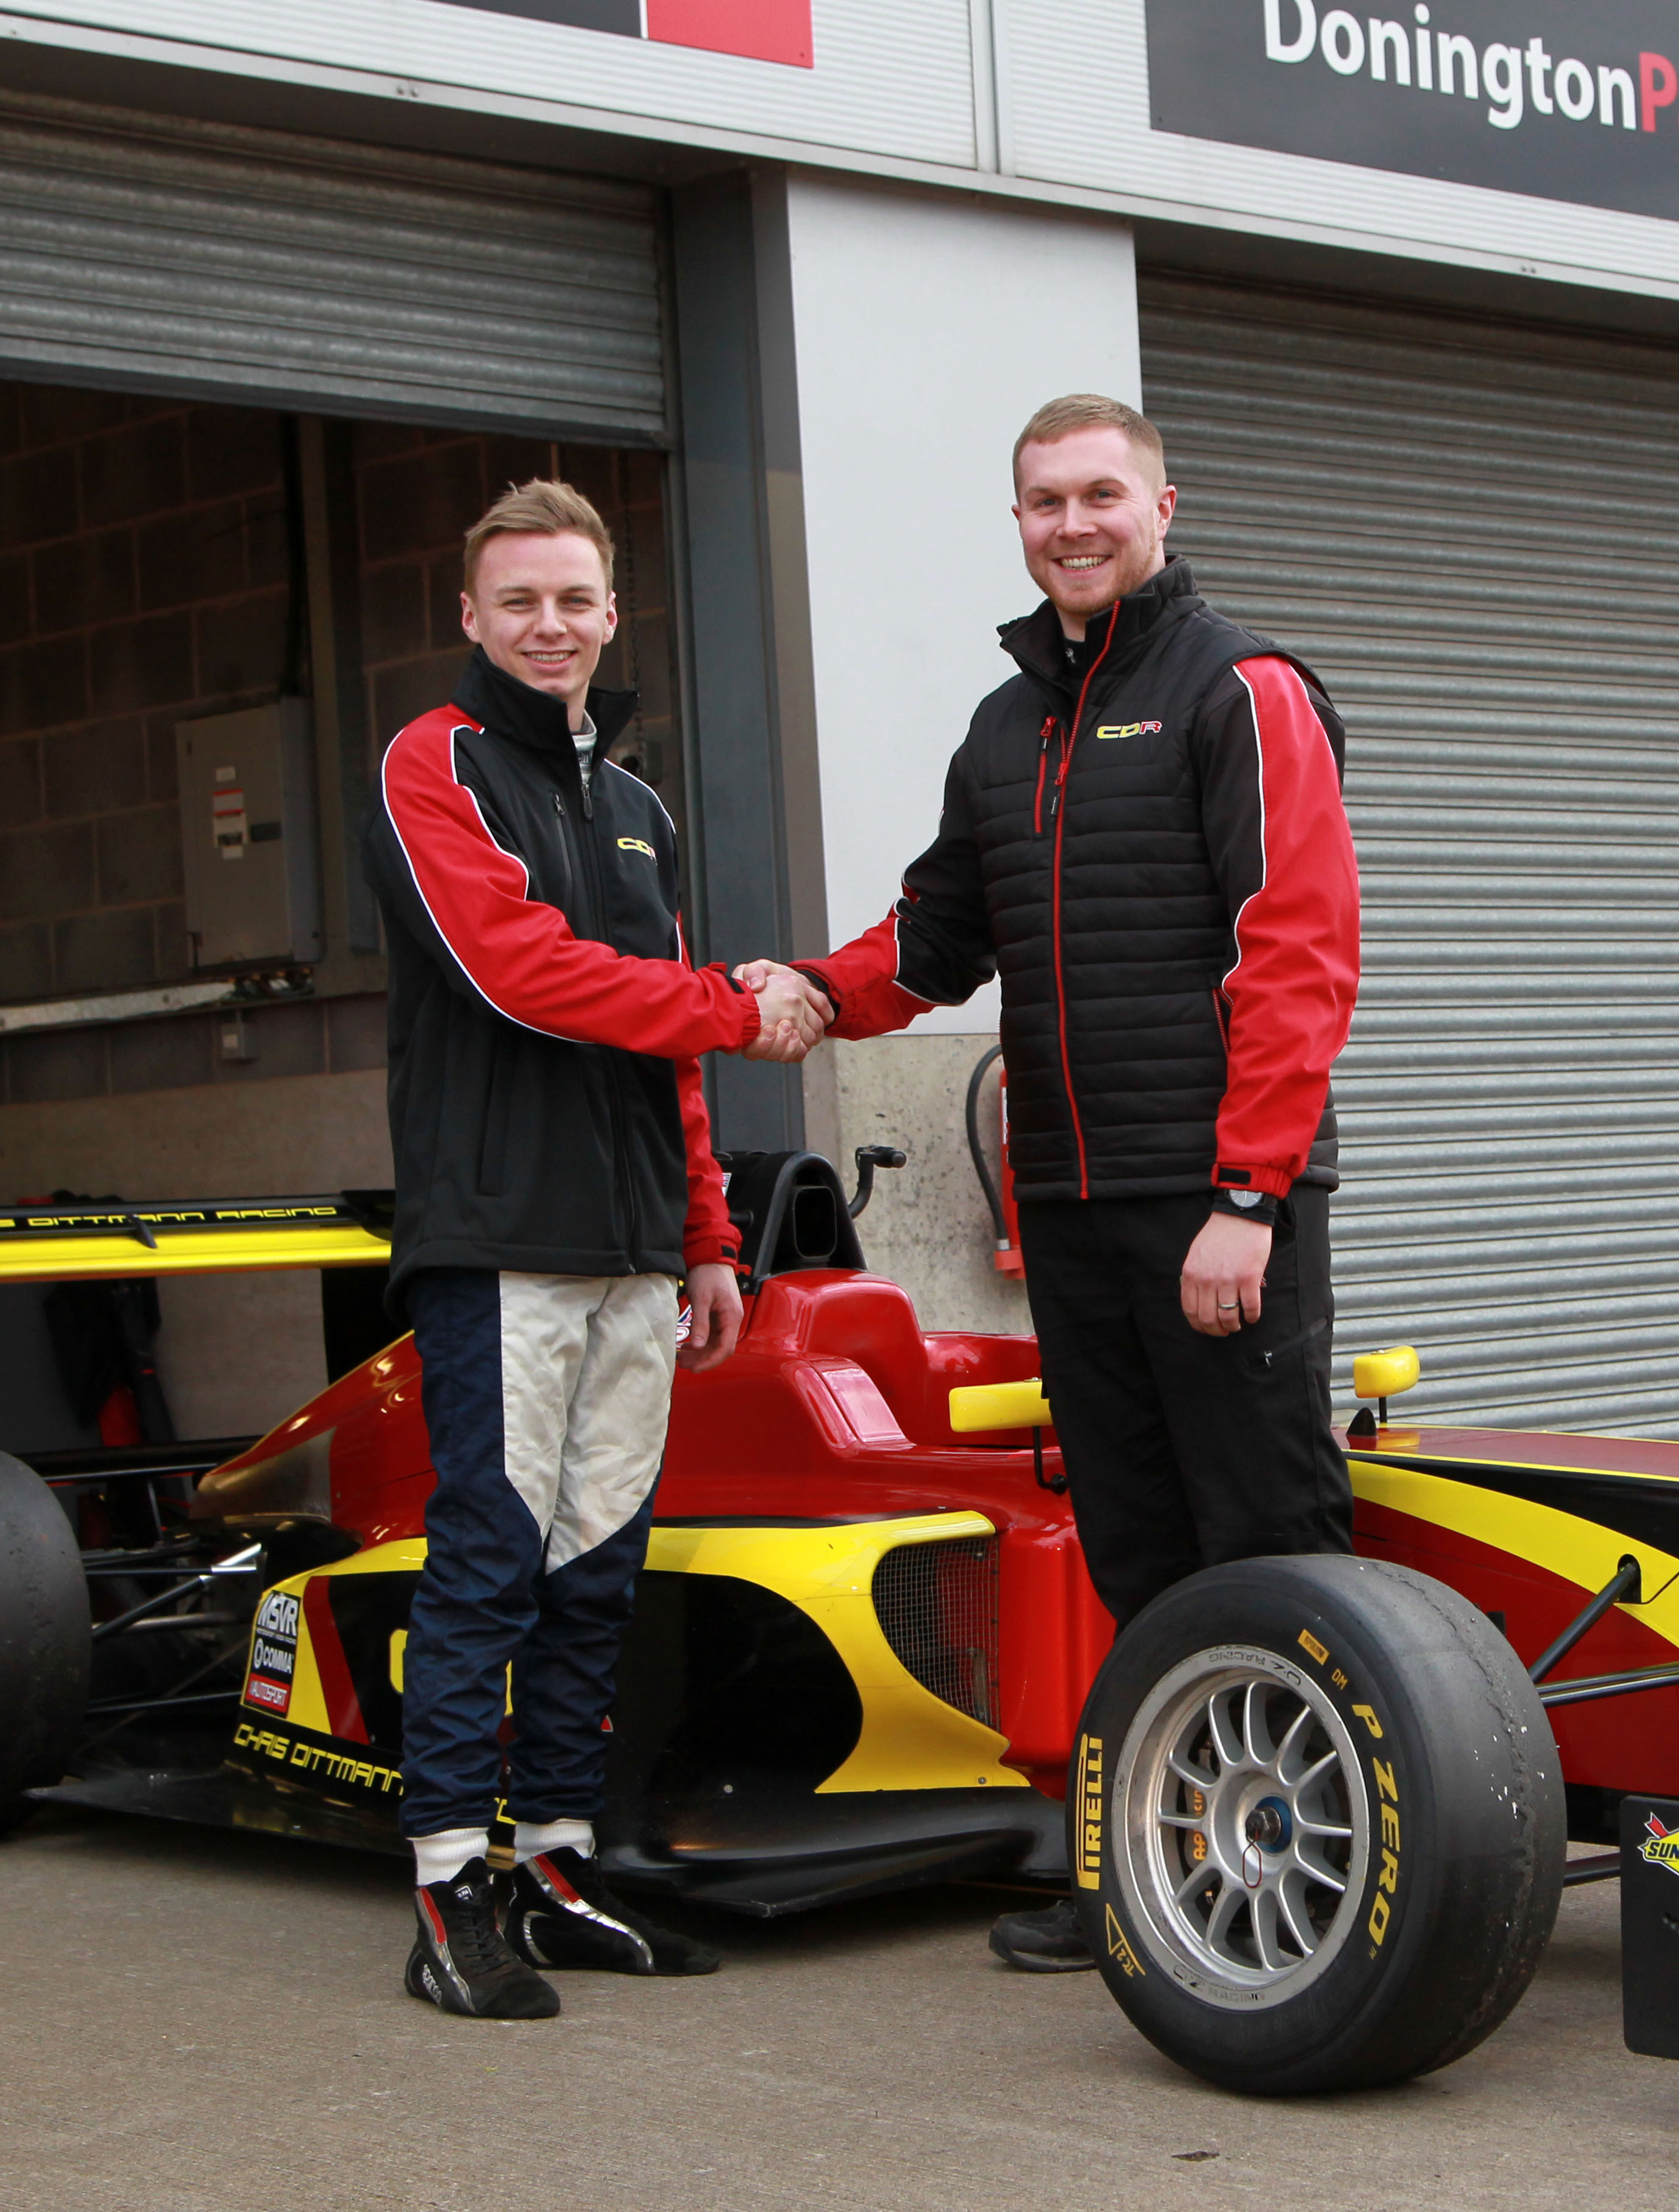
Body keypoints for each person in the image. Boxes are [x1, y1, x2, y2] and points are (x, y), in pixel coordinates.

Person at [746, 394, 1362, 1972]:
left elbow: (1297, 954)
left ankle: (1348, 1901)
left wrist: (1249, 1198)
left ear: (1163, 506)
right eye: (1044, 502)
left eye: (1099, 495)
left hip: (1210, 1208)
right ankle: (1162, 1884)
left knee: (1272, 1549)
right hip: (1075, 1211)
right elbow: (937, 938)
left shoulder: (1241, 690)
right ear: (1018, 522)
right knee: (1138, 1558)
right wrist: (810, 990)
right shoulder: (1005, 727)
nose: (1072, 525)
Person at [357, 479, 814, 2020]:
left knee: (597, 1573)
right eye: (519, 602)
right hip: (499, 1242)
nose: (548, 626)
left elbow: (662, 1048)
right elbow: (521, 973)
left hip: (633, 1257)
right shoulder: (433, 764)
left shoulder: (638, 806)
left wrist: (708, 1236)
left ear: (613, 615)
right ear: (470, 615)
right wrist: (737, 1006)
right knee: (487, 1566)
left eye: (573, 600)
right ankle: (447, 1893)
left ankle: (556, 1871)